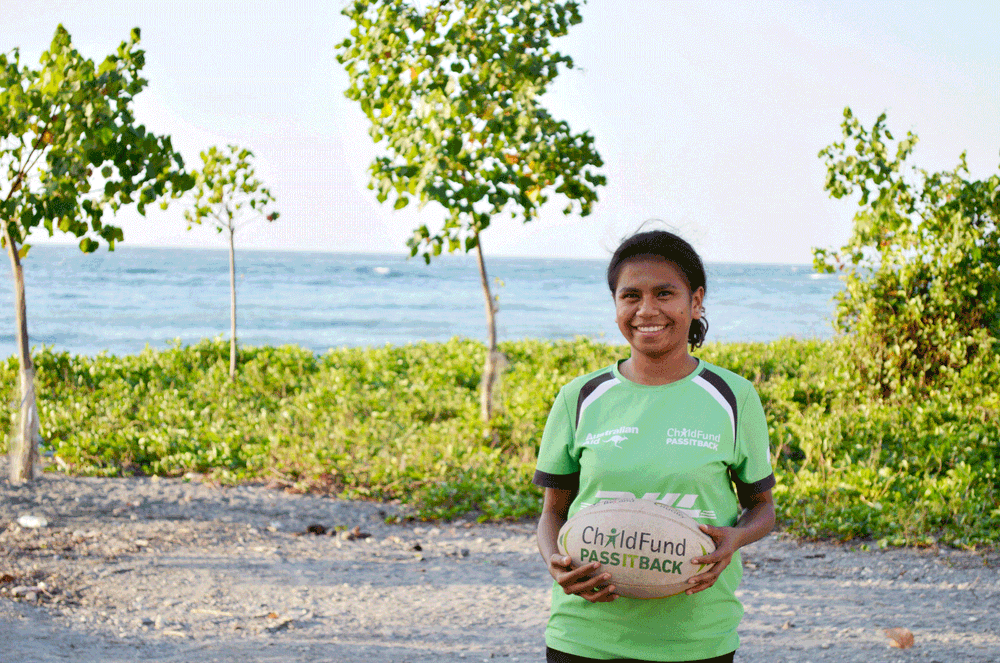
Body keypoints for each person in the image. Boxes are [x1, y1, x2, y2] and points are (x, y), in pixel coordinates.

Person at [534, 229, 776, 663]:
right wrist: (555, 560)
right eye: (631, 296)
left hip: (695, 639)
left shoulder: (734, 397)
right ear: (615, 306)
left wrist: (735, 538)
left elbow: (763, 507)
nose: (647, 310)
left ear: (695, 301)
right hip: (584, 635)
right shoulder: (580, 397)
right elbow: (554, 512)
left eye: (665, 293)